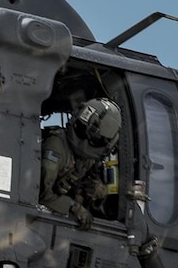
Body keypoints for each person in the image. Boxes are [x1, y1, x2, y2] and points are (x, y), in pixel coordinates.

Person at [39, 96, 121, 226]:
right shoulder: (56, 148)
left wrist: (93, 190)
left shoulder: (87, 159)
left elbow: (84, 179)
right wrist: (74, 206)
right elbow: (42, 195)